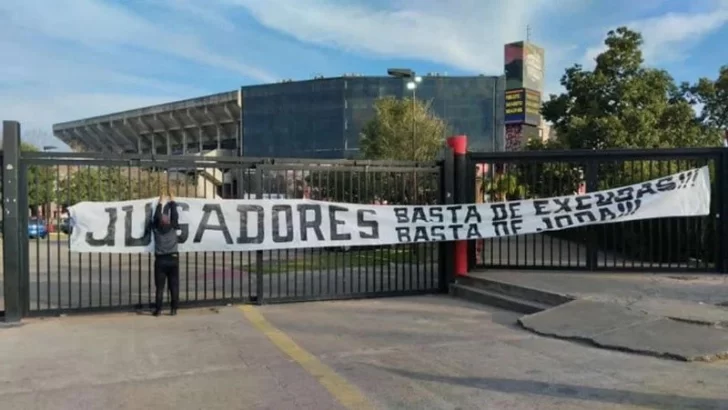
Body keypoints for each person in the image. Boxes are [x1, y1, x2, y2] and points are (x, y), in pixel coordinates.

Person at [150, 191, 180, 316]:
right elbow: (175, 215)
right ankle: (174, 309)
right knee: (173, 285)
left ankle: (158, 310)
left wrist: (160, 202)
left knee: (160, 287)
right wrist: (172, 201)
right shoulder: (173, 226)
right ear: (168, 221)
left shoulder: (156, 228)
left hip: (161, 260)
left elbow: (156, 217)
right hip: (173, 259)